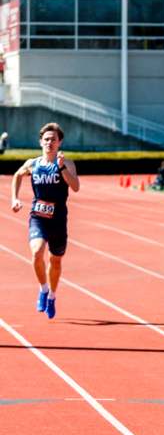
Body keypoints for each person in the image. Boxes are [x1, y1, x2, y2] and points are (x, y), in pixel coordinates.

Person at [10, 122, 80, 320]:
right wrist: (15, 198)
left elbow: (75, 187)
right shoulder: (33, 164)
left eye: (53, 139)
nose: (50, 142)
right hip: (38, 217)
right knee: (36, 252)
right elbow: (17, 175)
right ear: (41, 141)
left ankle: (52, 296)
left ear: (60, 142)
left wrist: (62, 169)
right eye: (46, 139)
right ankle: (43, 289)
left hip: (58, 220)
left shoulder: (68, 164)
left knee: (55, 261)